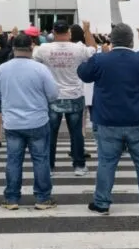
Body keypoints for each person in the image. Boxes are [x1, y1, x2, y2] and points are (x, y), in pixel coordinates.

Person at [78, 24, 139, 215]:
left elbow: (83, 74)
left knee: (106, 162)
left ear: (111, 40)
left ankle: (102, 203)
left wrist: (97, 54)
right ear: (132, 40)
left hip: (108, 120)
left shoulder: (101, 59)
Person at [0, 33, 60, 210]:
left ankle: (12, 198)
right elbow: (53, 94)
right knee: (41, 160)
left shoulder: (2, 69)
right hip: (37, 120)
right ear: (31, 47)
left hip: (12, 122)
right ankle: (43, 198)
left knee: (13, 160)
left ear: (13, 48)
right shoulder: (40, 69)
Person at [32, 20, 95, 174]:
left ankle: (49, 165)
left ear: (53, 32)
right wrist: (87, 31)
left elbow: (33, 59)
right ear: (69, 32)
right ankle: (79, 165)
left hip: (53, 96)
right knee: (76, 133)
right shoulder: (79, 48)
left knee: (50, 133)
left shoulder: (44, 49)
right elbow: (93, 50)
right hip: (74, 94)